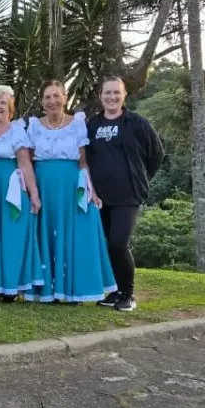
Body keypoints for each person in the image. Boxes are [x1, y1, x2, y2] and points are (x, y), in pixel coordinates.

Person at [25, 80, 117, 303]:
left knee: (76, 233)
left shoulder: (77, 124)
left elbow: (83, 163)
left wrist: (91, 190)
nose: (52, 101)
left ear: (65, 98)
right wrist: (33, 192)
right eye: (47, 97)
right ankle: (48, 290)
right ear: (42, 101)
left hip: (71, 187)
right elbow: (27, 161)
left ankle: (74, 290)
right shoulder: (34, 126)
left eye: (56, 96)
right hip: (45, 186)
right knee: (46, 233)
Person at [84, 75, 164, 312]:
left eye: (116, 92)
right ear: (100, 96)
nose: (112, 97)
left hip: (128, 196)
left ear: (124, 95)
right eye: (107, 92)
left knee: (119, 243)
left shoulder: (137, 123)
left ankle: (128, 294)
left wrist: (141, 178)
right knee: (107, 244)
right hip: (100, 197)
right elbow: (86, 158)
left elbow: (157, 153)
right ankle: (114, 291)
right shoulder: (92, 125)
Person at [0, 85, 43, 302]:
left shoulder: (16, 131)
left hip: (10, 192)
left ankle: (11, 288)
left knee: (10, 238)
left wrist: (34, 194)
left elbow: (25, 164)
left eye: (3, 103)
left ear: (10, 110)